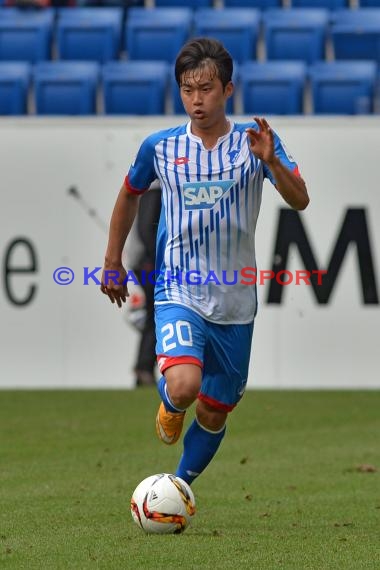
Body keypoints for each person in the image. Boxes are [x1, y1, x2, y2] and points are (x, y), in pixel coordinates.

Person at [100, 37, 309, 486]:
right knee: (185, 386)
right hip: (178, 287)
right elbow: (129, 194)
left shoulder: (255, 145)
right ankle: (171, 404)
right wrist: (112, 259)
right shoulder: (160, 147)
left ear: (228, 91)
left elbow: (301, 200)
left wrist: (272, 162)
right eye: (188, 89)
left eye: (207, 89)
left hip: (236, 302)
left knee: (214, 412)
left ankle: (176, 487)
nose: (197, 99)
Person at [132, 182, 161, 387]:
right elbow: (146, 230)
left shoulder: (151, 191)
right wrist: (157, 259)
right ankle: (143, 369)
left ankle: (144, 369)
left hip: (146, 262)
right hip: (149, 264)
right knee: (154, 315)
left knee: (154, 315)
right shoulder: (155, 191)